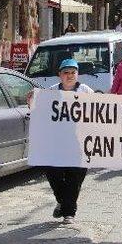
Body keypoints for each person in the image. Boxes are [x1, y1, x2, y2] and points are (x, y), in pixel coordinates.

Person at [46, 59, 94, 224]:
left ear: (77, 74)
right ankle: (63, 201)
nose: (70, 76)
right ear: (60, 75)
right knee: (55, 175)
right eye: (66, 72)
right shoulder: (51, 92)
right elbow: (39, 111)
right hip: (56, 145)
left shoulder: (85, 90)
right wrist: (31, 99)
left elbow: (99, 110)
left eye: (73, 72)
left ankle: (68, 212)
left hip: (80, 144)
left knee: (74, 179)